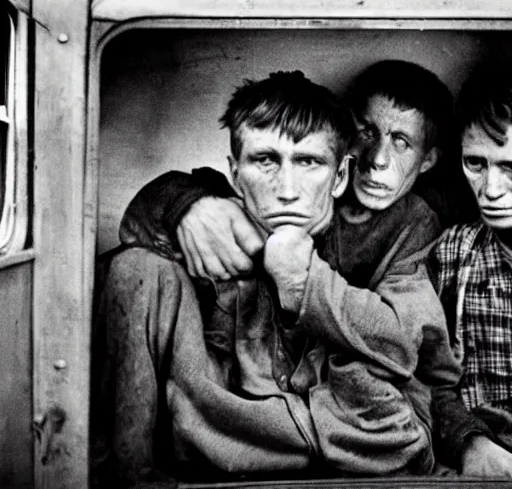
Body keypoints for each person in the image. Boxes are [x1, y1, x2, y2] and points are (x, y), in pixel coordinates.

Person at [92, 65, 463, 487]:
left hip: (325, 426)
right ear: (235, 173)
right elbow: (141, 227)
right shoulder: (218, 204)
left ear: (340, 174)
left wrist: (303, 280)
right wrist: (184, 205)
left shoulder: (403, 224)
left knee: (385, 407)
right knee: (136, 268)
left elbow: (411, 352)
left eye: (307, 162)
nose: (287, 188)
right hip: (231, 423)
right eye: (266, 161)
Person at [429, 62, 512, 477]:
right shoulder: (454, 251)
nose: (492, 191)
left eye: (511, 167)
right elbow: (426, 375)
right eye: (476, 164)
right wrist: (469, 442)